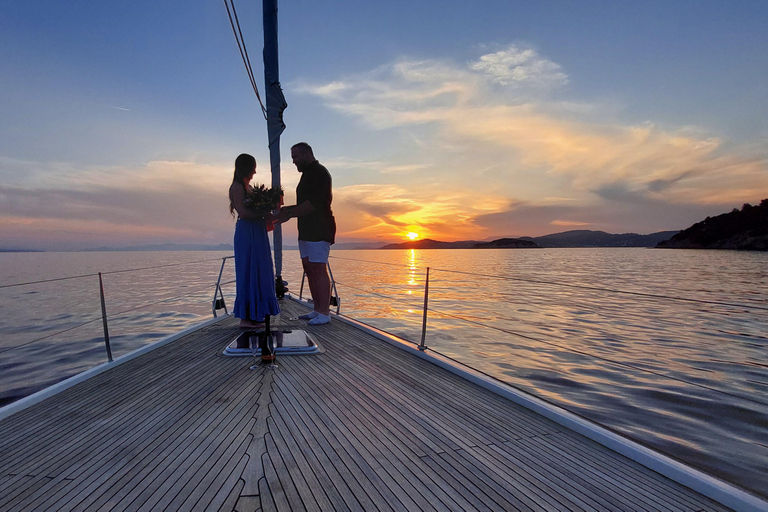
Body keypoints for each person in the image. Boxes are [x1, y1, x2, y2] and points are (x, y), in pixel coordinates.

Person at [278, 142, 336, 325]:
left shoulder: (319, 173)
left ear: (306, 154)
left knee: (319, 269)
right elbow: (303, 204)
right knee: (309, 269)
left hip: (319, 228)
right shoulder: (307, 175)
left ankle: (325, 313)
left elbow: (314, 204)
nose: (294, 161)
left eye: (295, 157)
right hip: (305, 229)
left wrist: (288, 214)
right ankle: (317, 309)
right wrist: (285, 210)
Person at [229, 153, 280, 329]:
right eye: (253, 167)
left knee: (261, 269)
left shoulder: (248, 186)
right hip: (247, 232)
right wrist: (263, 212)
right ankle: (246, 318)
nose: (255, 171)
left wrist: (269, 207)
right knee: (248, 271)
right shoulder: (237, 187)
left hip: (257, 232)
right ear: (247, 167)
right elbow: (243, 212)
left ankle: (257, 314)